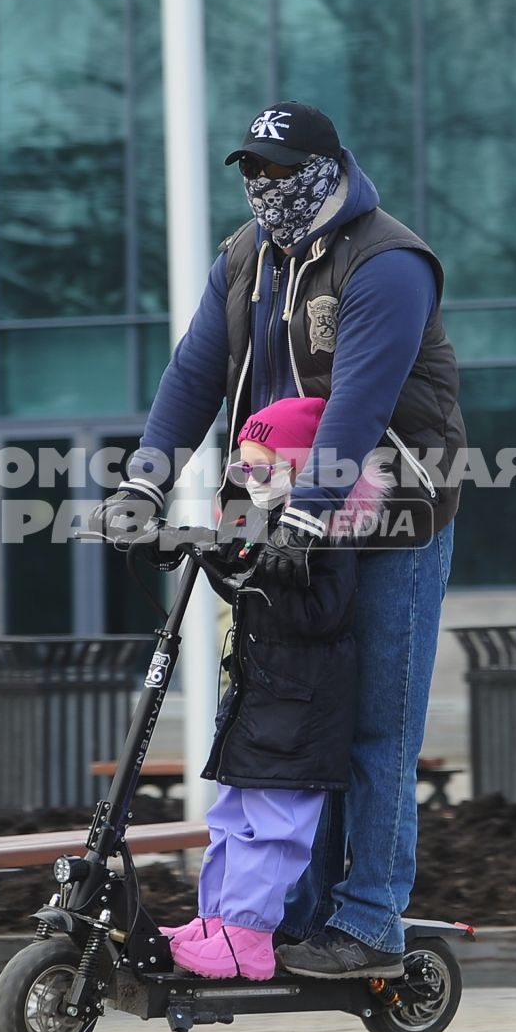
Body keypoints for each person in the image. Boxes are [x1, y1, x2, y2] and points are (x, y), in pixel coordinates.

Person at [96, 100, 463, 979]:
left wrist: (308, 514)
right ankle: (285, 922)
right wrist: (144, 479)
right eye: (251, 171)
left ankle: (370, 921)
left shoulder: (388, 262)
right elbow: (194, 374)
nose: (264, 187)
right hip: (281, 508)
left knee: (376, 727)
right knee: (301, 717)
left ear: (328, 167)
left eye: (280, 170)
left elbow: (359, 404)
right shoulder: (246, 259)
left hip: (391, 514)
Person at [162, 396, 357, 981]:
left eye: (264, 468)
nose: (252, 481)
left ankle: (247, 935)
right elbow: (241, 585)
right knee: (230, 816)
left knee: (274, 827)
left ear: (301, 465)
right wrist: (214, 558)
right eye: (245, 469)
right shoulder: (260, 519)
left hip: (302, 709)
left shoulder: (327, 531)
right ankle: (216, 920)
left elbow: (326, 615)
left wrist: (279, 572)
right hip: (260, 700)